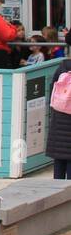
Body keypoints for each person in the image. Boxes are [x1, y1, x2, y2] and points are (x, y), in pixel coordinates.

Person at [49, 50, 71, 180]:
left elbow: (52, 90)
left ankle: (56, 193)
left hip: (59, 119)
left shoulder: (62, 67)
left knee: (59, 159)